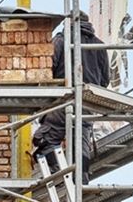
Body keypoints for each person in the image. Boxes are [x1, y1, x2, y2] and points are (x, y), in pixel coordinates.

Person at [32, 12, 111, 175]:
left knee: (45, 142)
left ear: (69, 23)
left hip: (63, 102)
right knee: (80, 146)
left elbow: (48, 70)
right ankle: (80, 182)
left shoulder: (61, 41)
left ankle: (58, 173)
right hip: (87, 104)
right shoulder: (99, 46)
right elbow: (105, 80)